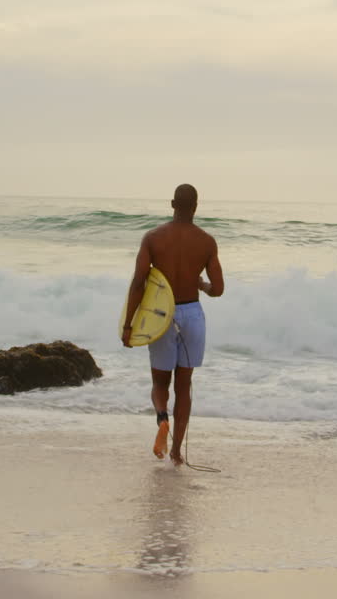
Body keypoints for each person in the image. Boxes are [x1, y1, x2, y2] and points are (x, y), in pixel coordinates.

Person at [122, 184, 224, 465]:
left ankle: (161, 418)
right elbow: (218, 289)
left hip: (160, 315)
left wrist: (129, 325)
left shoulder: (153, 238)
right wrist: (201, 284)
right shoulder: (206, 241)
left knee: (159, 382)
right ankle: (177, 451)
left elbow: (139, 283)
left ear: (172, 204)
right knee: (184, 384)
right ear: (196, 207)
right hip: (192, 314)